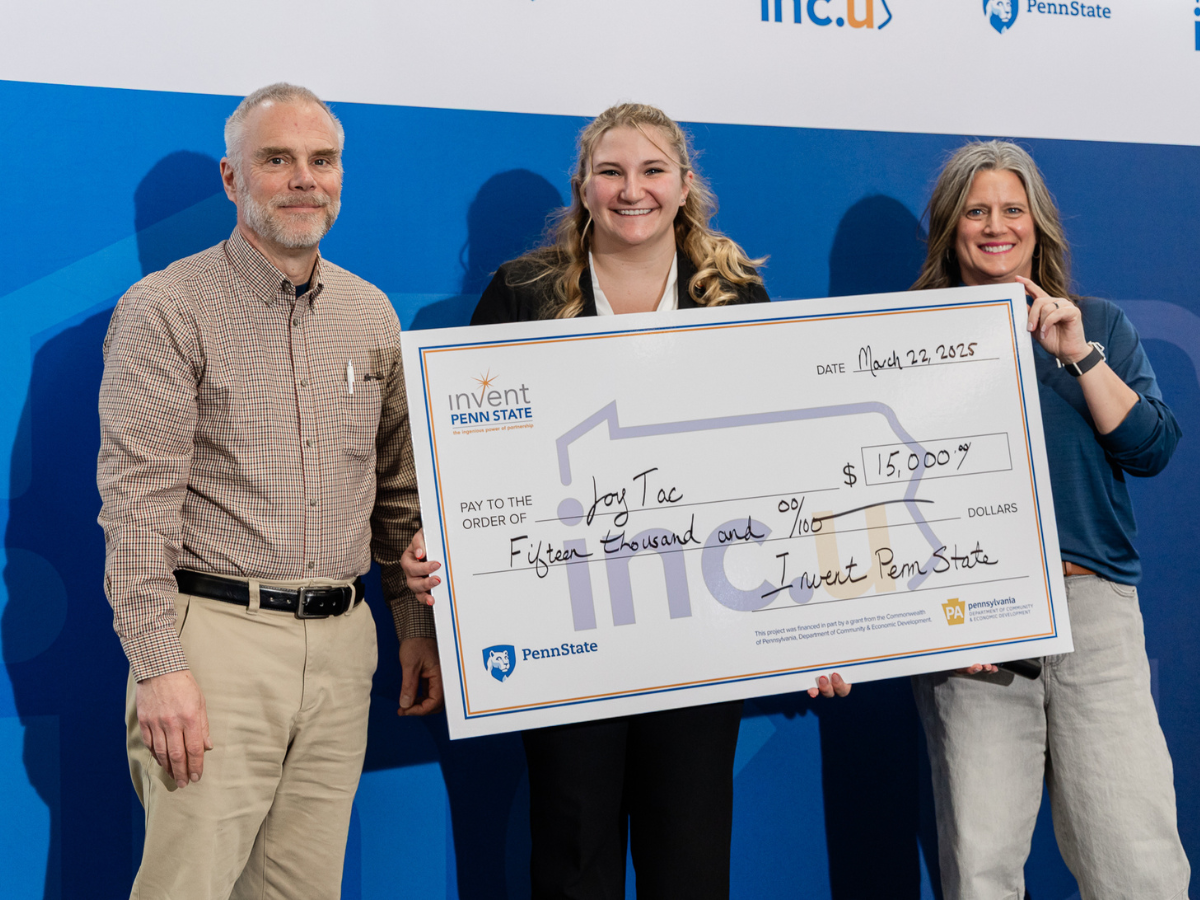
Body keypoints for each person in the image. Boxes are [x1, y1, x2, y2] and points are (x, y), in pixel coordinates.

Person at [402, 102, 850, 900]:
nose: (631, 190)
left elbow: (781, 465)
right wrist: (440, 546)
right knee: (573, 855)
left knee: (690, 860)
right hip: (567, 630)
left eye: (651, 171)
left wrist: (815, 622)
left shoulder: (735, 296)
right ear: (583, 186)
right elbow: (474, 460)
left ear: (684, 185)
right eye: (610, 172)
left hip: (701, 629)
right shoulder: (521, 293)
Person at [97, 83, 441, 900]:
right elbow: (138, 509)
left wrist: (414, 627)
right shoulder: (167, 310)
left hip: (343, 646)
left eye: (322, 160)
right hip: (216, 647)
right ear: (231, 178)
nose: (303, 179)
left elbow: (397, 491)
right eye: (277, 159)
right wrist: (159, 667)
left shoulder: (371, 314)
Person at [910, 141, 1191, 900]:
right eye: (976, 211)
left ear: (1038, 225)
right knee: (982, 871)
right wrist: (937, 614)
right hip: (972, 623)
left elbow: (1151, 447)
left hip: (1091, 609)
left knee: (1136, 864)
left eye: (1012, 209)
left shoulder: (1097, 324)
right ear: (950, 228)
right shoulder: (907, 340)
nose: (995, 226)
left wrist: (1081, 356)